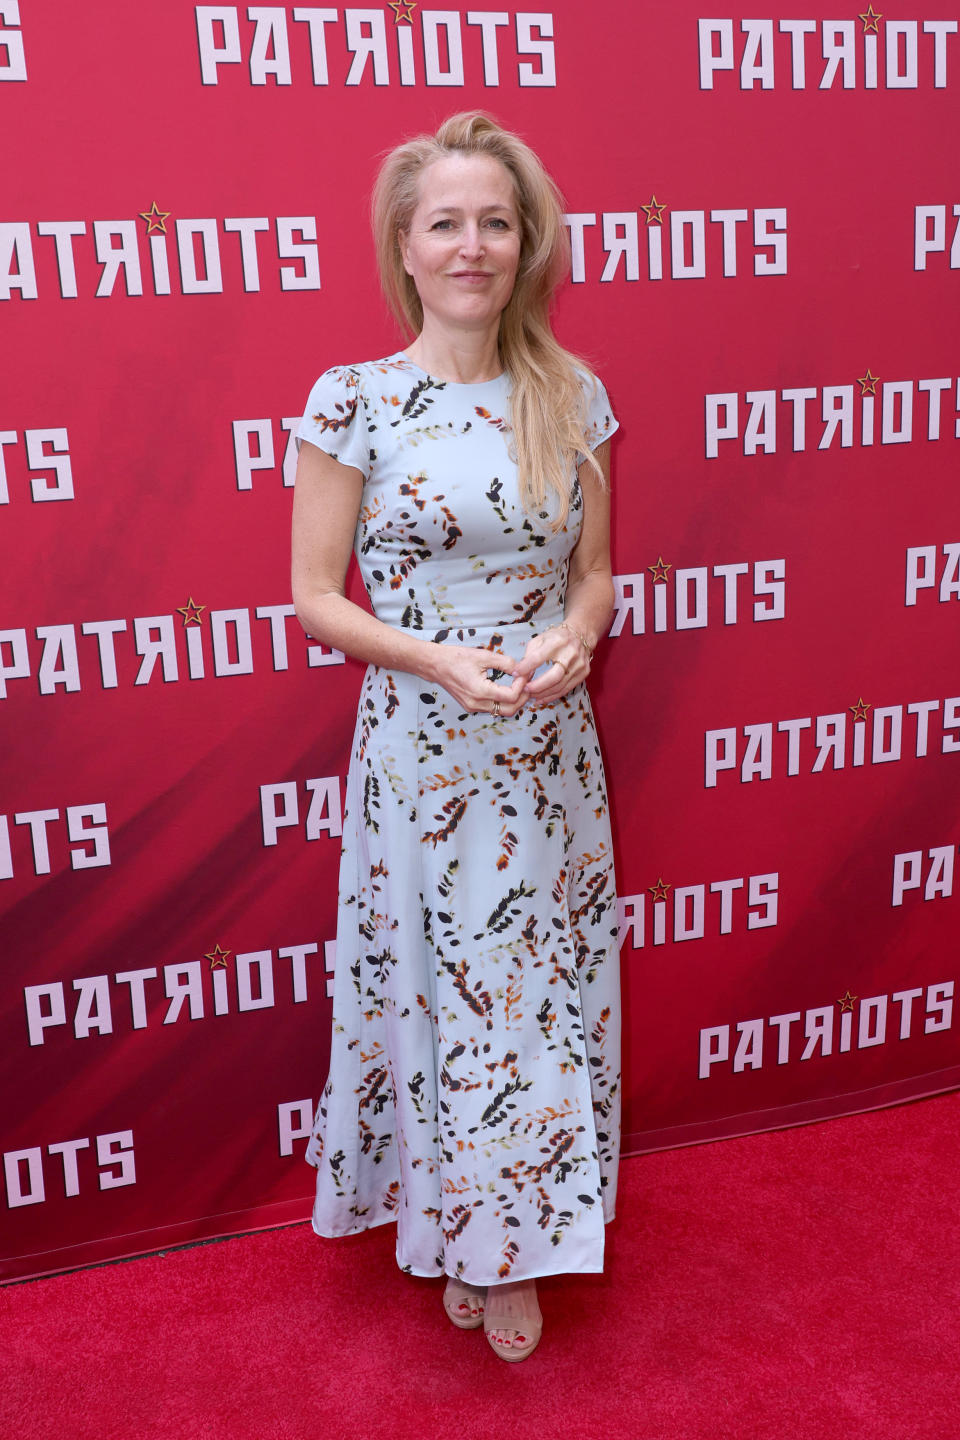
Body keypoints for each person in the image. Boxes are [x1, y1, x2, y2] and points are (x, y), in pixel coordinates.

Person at [291, 111, 621, 1363]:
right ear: (406, 247)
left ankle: (518, 1232)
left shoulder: (571, 392)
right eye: (447, 223)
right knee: (446, 998)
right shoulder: (356, 401)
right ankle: (460, 1225)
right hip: (424, 749)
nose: (473, 244)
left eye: (496, 220)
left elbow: (595, 576)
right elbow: (317, 594)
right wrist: (434, 658)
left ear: (525, 241)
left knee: (534, 998)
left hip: (546, 754)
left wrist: (580, 636)